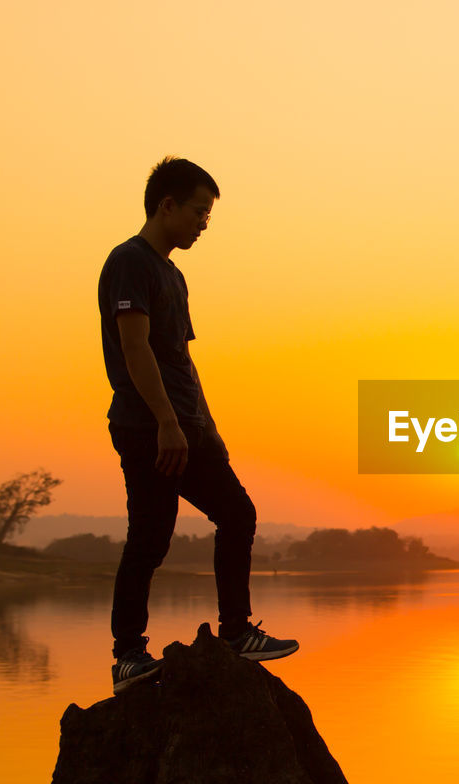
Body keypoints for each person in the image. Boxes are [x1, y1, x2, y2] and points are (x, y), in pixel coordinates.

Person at [98, 156, 298, 694]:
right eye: (198, 211)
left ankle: (235, 633)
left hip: (186, 428)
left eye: (207, 214)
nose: (203, 223)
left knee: (237, 513)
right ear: (167, 205)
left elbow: (182, 362)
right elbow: (134, 348)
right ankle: (128, 657)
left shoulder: (173, 274)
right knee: (151, 537)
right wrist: (166, 422)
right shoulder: (130, 262)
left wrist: (206, 428)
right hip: (150, 427)